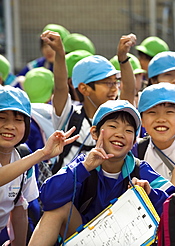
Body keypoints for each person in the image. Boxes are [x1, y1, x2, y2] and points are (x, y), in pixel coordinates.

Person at [28, 99, 175, 246]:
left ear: (134, 142)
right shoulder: (83, 163)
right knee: (58, 209)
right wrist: (83, 168)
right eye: (113, 126)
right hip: (83, 239)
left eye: (128, 130)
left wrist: (150, 194)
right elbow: (48, 199)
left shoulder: (140, 170)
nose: (120, 134)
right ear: (94, 133)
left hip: (127, 240)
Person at [40, 30, 136, 172]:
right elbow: (61, 87)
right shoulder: (69, 115)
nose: (114, 89)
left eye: (115, 82)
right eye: (107, 83)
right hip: (72, 189)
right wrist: (59, 53)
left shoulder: (118, 113)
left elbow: (129, 90)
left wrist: (123, 58)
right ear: (84, 89)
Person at [0, 85, 79, 246]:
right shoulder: (30, 159)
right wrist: (42, 154)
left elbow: (20, 210)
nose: (10, 126)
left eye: (18, 119)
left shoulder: (22, 156)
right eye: (2, 118)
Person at [132, 82, 175, 180]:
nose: (161, 119)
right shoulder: (135, 151)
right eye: (152, 112)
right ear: (141, 120)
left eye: (169, 112)